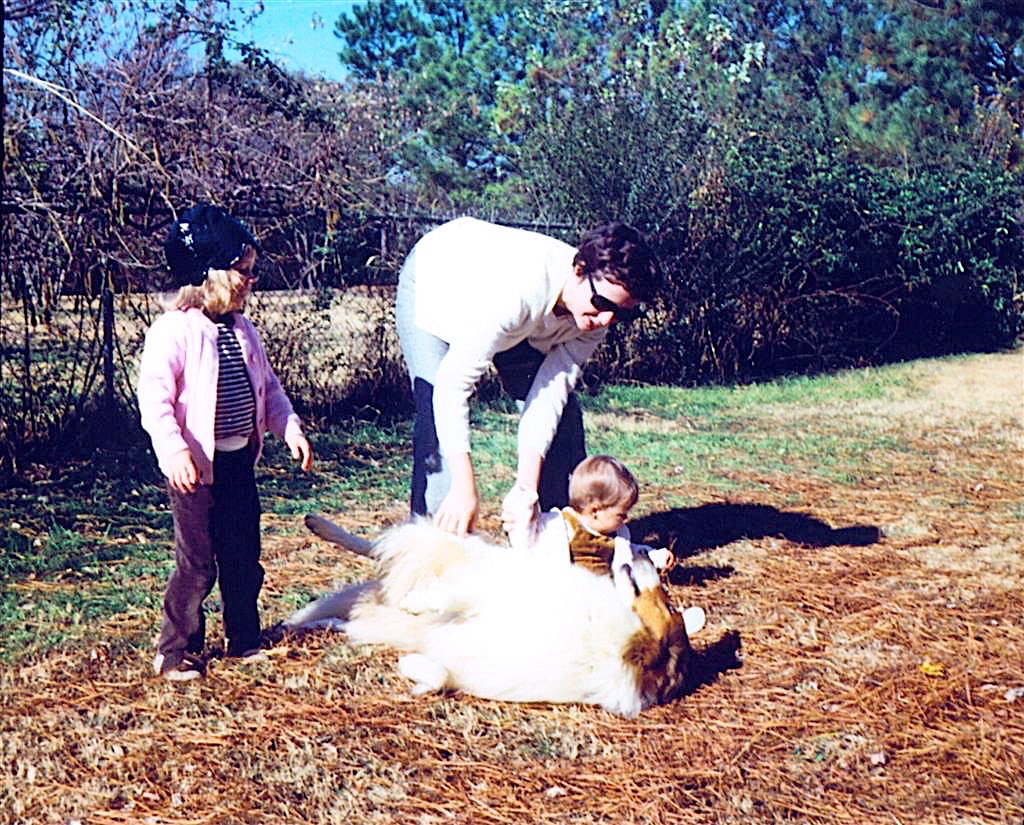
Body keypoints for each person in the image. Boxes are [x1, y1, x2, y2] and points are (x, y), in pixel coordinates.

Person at [395, 217, 660, 537]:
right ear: (579, 270)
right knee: (437, 427)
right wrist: (465, 488)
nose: (605, 319)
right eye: (602, 303)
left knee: (564, 423)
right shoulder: (521, 290)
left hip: (519, 323)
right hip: (437, 283)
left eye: (621, 313)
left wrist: (526, 489)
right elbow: (453, 386)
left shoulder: (594, 319)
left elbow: (548, 397)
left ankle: (558, 537)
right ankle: (432, 551)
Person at [138, 203, 313, 682]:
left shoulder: (242, 330)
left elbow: (269, 389)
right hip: (195, 472)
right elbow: (154, 399)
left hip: (238, 465)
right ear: (208, 274)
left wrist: (289, 426)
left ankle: (244, 637)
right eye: (243, 272)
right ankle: (177, 650)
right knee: (197, 565)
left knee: (242, 556)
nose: (251, 281)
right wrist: (174, 450)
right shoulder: (173, 332)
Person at [520, 455, 675, 574]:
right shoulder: (559, 527)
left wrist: (654, 556)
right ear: (595, 511)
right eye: (621, 514)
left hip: (604, 601)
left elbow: (631, 553)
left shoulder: (616, 536)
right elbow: (526, 535)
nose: (626, 519)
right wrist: (525, 502)